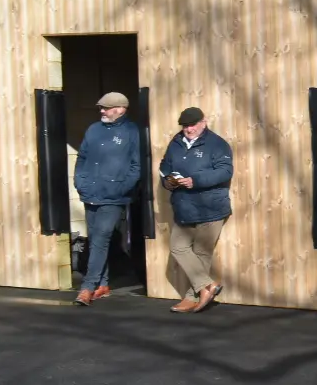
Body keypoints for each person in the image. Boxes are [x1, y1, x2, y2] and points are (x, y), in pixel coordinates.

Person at [159, 106, 234, 313]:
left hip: (210, 206)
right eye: (185, 126)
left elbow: (225, 171)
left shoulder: (217, 144)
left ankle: (192, 297)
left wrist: (196, 180)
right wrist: (167, 180)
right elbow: (164, 165)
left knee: (202, 253)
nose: (188, 129)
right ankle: (208, 286)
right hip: (184, 206)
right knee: (178, 247)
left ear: (204, 122)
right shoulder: (175, 142)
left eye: (192, 125)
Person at [73, 91, 142, 306]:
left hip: (113, 196)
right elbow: (82, 157)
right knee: (95, 239)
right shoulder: (94, 130)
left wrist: (122, 188)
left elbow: (136, 165)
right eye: (101, 108)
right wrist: (80, 181)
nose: (102, 111)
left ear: (120, 109)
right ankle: (102, 284)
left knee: (101, 238)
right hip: (90, 192)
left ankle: (88, 286)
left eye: (106, 108)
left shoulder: (132, 132)